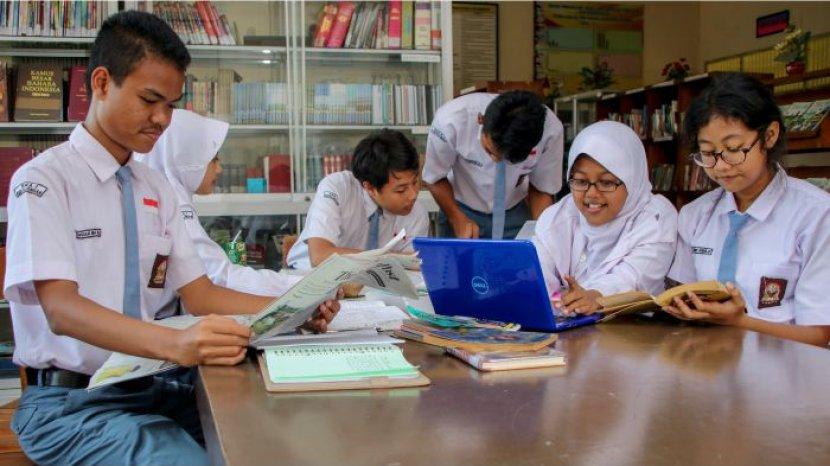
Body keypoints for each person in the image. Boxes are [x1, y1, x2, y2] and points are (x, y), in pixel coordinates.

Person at [4, 12, 338, 465]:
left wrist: (292, 311)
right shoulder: (43, 181)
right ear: (101, 83)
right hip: (70, 403)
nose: (162, 119)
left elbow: (201, 295)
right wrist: (175, 344)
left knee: (279, 433)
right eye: (149, 100)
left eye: (171, 105)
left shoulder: (156, 187)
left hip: (147, 384)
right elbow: (61, 310)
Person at [665, 73, 830, 347]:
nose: (720, 166)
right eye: (708, 153)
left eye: (733, 149)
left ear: (770, 135)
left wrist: (740, 322)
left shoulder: (816, 215)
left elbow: (819, 336)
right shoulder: (696, 214)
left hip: (786, 368)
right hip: (706, 362)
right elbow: (682, 299)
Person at [136, 109, 302, 316]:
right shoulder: (172, 201)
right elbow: (218, 277)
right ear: (185, 157)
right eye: (213, 159)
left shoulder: (165, 193)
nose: (219, 169)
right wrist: (298, 290)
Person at [533, 121, 678, 314]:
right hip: (569, 323)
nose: (591, 193)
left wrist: (595, 296)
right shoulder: (560, 215)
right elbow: (537, 270)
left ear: (632, 180)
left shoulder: (656, 218)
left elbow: (633, 278)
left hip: (632, 327)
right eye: (581, 181)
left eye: (607, 182)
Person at [423, 90, 564, 239]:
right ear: (481, 120)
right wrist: (455, 217)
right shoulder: (450, 121)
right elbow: (434, 177)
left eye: (509, 161)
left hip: (514, 210)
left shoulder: (550, 132)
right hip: (460, 208)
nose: (497, 161)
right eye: (490, 151)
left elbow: (542, 189)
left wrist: (541, 235)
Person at [287, 129, 429, 270]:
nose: (413, 195)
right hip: (306, 274)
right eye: (401, 190)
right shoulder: (337, 188)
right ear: (370, 187)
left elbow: (414, 264)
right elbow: (319, 256)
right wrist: (388, 258)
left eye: (415, 182)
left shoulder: (416, 212)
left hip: (373, 282)